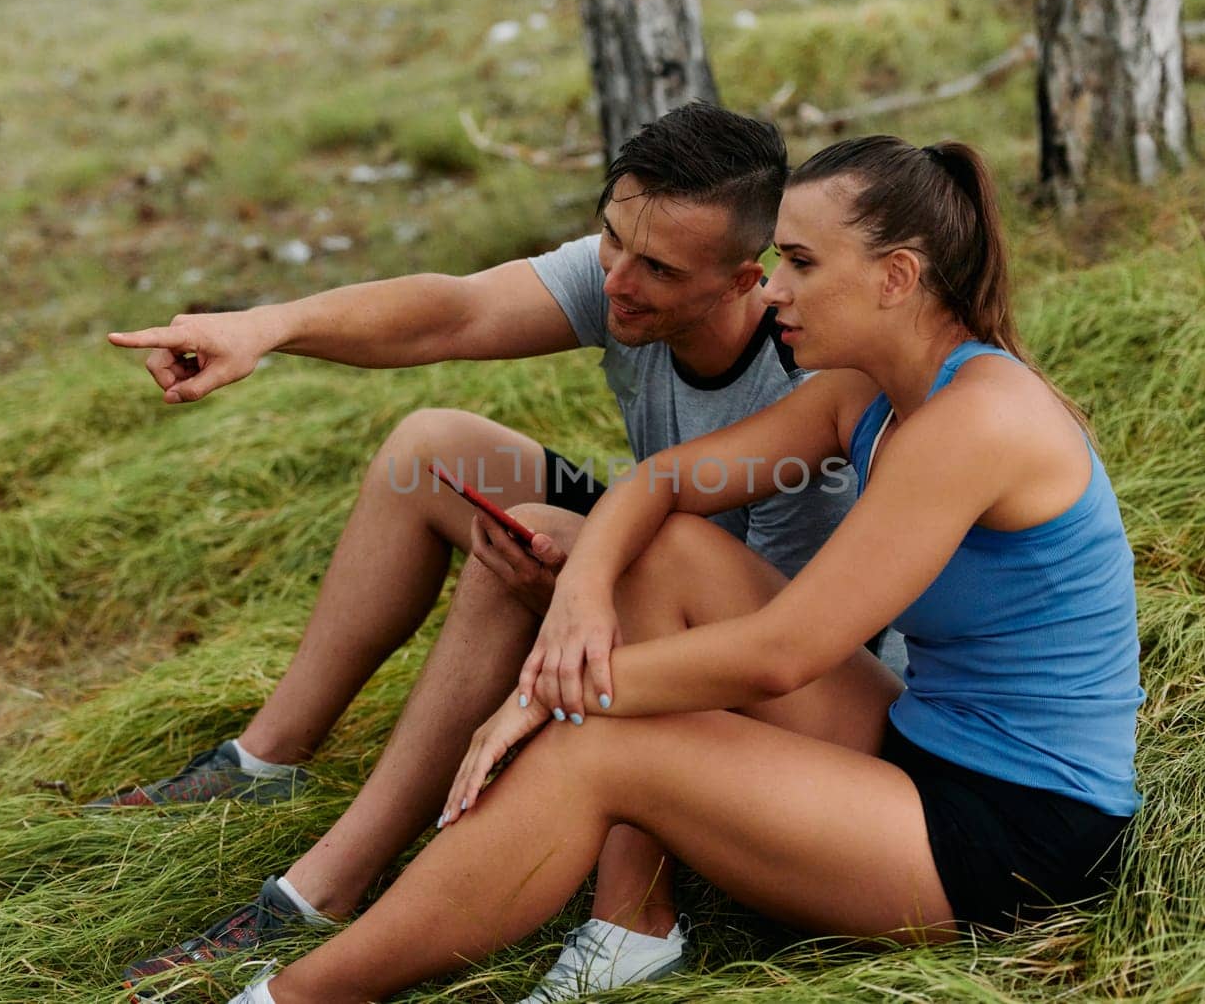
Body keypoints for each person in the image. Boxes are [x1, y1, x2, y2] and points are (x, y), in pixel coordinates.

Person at [186, 133, 1145, 1004]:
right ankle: (630, 924)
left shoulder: (976, 420)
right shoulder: (867, 392)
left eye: (801, 264)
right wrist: (581, 605)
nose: (774, 290)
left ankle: (294, 998)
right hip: (918, 738)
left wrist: (549, 693)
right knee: (664, 549)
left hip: (1016, 834)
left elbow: (783, 652)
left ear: (896, 277)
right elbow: (662, 486)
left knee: (595, 746)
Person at [105, 103, 893, 999]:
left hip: (794, 681)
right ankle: (264, 763)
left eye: (658, 268)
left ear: (744, 279)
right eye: (611, 240)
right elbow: (454, 311)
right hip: (655, 557)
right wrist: (267, 327)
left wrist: (577, 586)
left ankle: (335, 880)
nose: (618, 280)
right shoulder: (628, 271)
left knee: (545, 534)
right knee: (431, 451)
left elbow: (778, 645)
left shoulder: (806, 372)